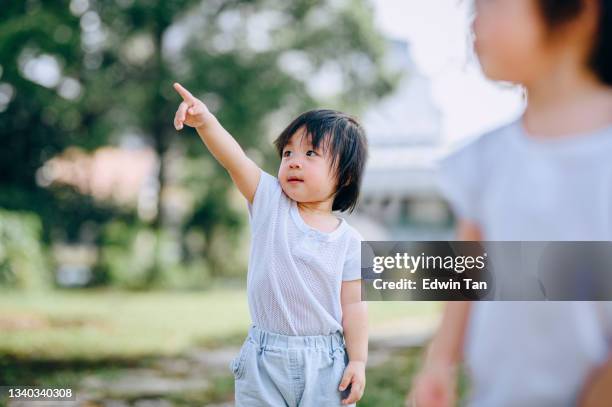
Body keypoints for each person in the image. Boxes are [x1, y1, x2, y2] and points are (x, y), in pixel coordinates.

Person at [409, 0, 612, 405]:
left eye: (494, 4)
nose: (474, 19)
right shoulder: (484, 158)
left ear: (580, 12)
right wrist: (440, 363)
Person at [172, 83, 368, 406]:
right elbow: (234, 159)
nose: (293, 161)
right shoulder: (269, 202)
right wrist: (205, 121)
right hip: (264, 359)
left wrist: (357, 361)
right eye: (288, 152)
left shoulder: (350, 242)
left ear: (345, 176)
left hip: (326, 362)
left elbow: (355, 307)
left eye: (310, 154)